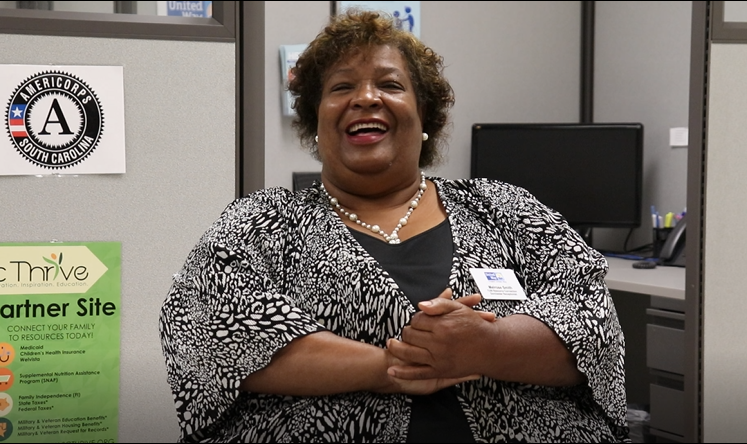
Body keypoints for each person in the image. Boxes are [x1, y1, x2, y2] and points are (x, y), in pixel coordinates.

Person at [159, 8, 630, 443]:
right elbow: (205, 331)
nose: (366, 98)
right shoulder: (262, 223)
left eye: (390, 85)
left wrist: (487, 344)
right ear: (316, 122)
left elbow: (595, 327)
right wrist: (392, 366)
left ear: (424, 115)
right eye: (341, 88)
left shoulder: (505, 209)